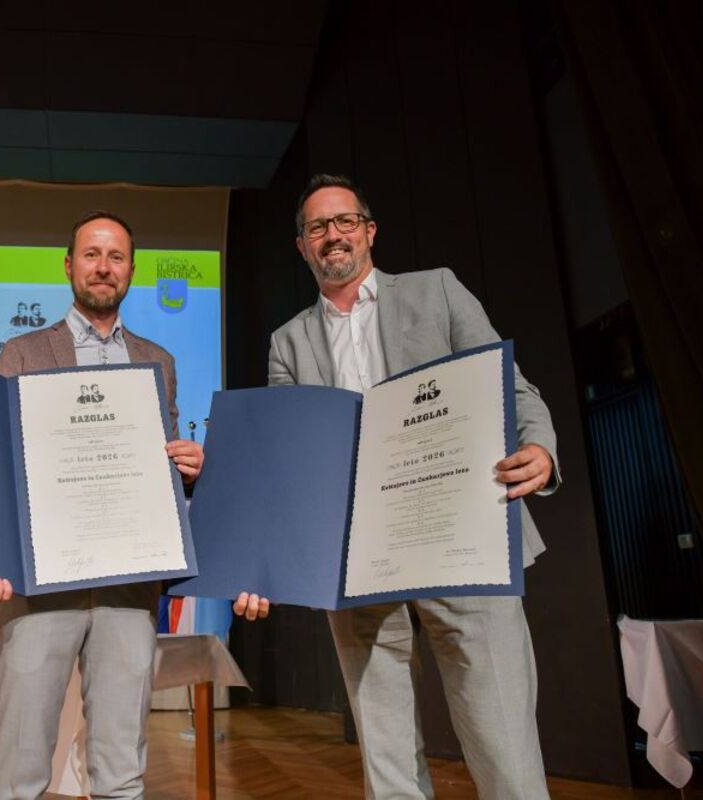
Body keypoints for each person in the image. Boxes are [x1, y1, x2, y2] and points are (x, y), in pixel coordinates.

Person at [237, 174, 559, 799]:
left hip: (464, 534)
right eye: (317, 227)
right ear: (301, 246)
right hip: (356, 556)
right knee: (385, 754)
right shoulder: (287, 342)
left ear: (369, 230)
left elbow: (510, 386)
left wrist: (541, 448)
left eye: (345, 221)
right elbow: (289, 463)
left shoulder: (437, 290)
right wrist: (265, 559)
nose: (333, 235)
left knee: (503, 741)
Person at [0, 211, 205, 800]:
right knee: (20, 770)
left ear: (131, 271)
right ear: (70, 266)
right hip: (39, 588)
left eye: (116, 257)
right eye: (92, 255)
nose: (103, 267)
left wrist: (188, 470)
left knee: (122, 770)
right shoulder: (22, 352)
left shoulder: (158, 360)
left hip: (129, 588)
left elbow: (158, 469)